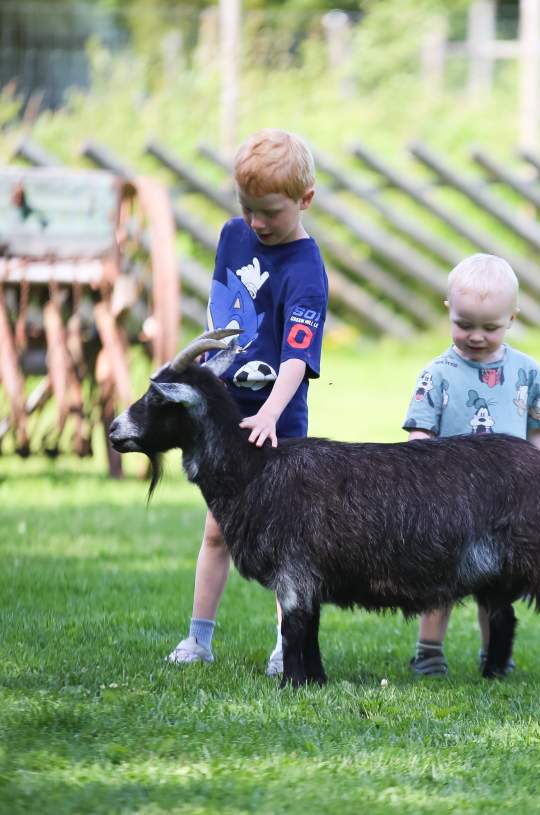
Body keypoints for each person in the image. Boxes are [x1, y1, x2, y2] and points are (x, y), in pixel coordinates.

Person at [168, 128, 328, 675]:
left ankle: (287, 645)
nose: (256, 222)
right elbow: (222, 317)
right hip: (226, 415)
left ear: (305, 200)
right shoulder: (233, 236)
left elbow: (297, 358)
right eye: (247, 207)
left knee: (286, 540)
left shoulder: (306, 270)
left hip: (276, 420)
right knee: (218, 529)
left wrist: (270, 413)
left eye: (270, 212)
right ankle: (198, 639)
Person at [403, 253, 540, 677]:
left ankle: (495, 656)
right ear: (448, 310)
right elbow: (420, 435)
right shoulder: (437, 374)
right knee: (439, 578)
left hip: (506, 503)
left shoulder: (527, 373)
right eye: (464, 324)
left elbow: (539, 429)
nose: (475, 336)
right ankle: (429, 652)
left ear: (512, 319)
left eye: (490, 328)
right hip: (449, 502)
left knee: (498, 584)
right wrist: (422, 485)